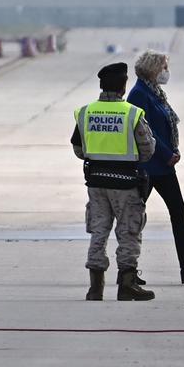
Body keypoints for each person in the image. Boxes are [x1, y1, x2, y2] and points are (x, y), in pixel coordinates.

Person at [71, 62, 156, 301]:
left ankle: (95, 287)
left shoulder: (85, 112)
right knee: (129, 232)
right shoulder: (131, 113)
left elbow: (78, 148)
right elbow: (147, 149)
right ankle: (127, 285)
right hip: (126, 183)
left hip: (96, 182)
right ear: (123, 87)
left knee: (99, 231)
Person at [128, 50, 184, 284]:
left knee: (179, 213)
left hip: (164, 166)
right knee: (134, 217)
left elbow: (166, 125)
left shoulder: (156, 92)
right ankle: (129, 268)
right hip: (148, 166)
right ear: (152, 69)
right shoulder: (139, 94)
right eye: (163, 67)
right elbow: (144, 129)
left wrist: (174, 149)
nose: (166, 71)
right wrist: (166, 152)